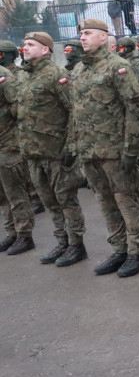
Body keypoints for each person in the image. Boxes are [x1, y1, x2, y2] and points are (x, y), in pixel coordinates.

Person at [69, 19, 139, 277]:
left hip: (115, 151)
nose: (83, 38)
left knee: (127, 201)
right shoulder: (79, 69)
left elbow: (136, 109)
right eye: (81, 34)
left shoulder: (119, 67)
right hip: (90, 150)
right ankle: (119, 250)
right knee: (105, 202)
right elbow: (75, 111)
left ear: (104, 37)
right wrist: (75, 144)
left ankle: (136, 253)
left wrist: (131, 149)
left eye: (88, 33)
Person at [18, 32, 86, 266]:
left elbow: (73, 111)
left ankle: (77, 245)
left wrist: (70, 146)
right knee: (50, 203)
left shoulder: (56, 75)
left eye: (30, 44)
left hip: (56, 152)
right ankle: (62, 241)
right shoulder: (26, 76)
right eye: (24, 44)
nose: (25, 48)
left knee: (66, 200)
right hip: (34, 153)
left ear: (45, 49)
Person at [0, 58, 34, 255]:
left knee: (15, 192)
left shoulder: (3, 75)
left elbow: (18, 108)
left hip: (8, 145)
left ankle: (24, 234)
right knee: (2, 196)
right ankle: (11, 232)